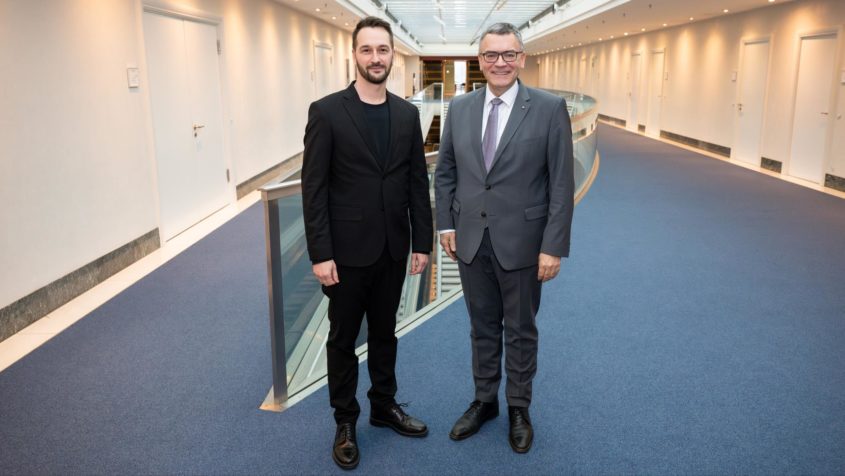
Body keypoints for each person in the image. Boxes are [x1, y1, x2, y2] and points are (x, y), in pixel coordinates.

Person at [434, 22, 574, 454]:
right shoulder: (459, 108)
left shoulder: (549, 109)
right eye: (491, 55)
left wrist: (553, 246)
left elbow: (561, 184)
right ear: (480, 62)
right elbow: (446, 174)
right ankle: (484, 401)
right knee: (481, 328)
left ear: (522, 58)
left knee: (520, 329)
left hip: (525, 243)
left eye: (508, 54)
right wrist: (446, 225)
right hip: (471, 240)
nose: (500, 63)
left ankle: (518, 406)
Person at [301, 16, 433, 470]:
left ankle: (384, 405)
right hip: (346, 252)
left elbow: (417, 182)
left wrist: (423, 242)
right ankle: (345, 419)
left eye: (383, 49)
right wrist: (320, 253)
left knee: (384, 333)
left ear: (393, 54)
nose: (375, 58)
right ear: (353, 55)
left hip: (394, 249)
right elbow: (313, 189)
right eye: (367, 50)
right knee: (341, 339)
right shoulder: (327, 111)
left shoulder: (407, 113)